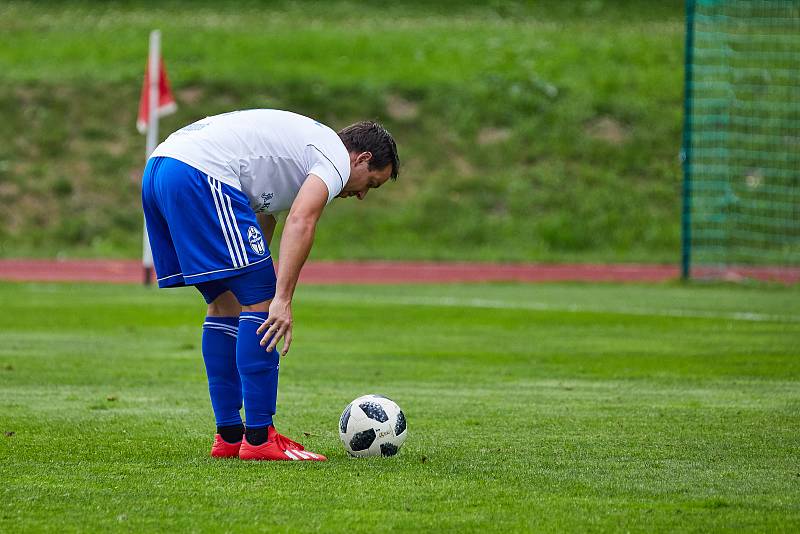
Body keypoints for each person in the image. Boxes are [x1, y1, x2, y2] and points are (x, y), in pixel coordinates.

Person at [141, 109, 399, 461]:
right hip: (199, 172)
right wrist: (280, 299)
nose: (362, 195)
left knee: (227, 302)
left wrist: (256, 281)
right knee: (261, 304)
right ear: (362, 158)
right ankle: (261, 437)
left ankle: (230, 436)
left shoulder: (298, 154)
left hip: (161, 168)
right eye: (371, 183)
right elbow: (302, 218)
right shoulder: (335, 157)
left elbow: (262, 219)